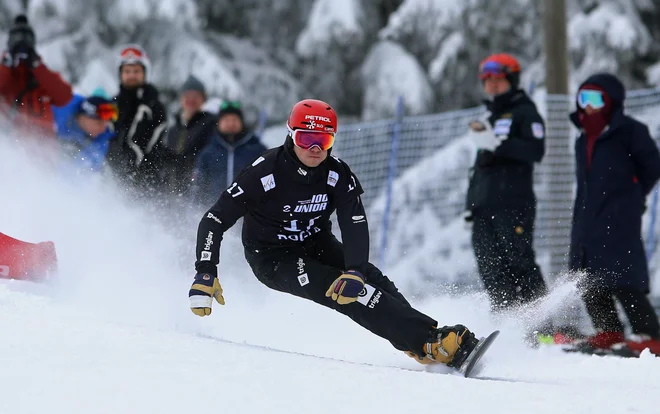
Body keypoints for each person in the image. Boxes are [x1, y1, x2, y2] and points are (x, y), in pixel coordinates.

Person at [187, 98, 485, 368]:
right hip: (272, 258)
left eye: (323, 140)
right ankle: (428, 343)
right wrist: (205, 271)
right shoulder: (264, 172)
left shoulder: (336, 174)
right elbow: (214, 219)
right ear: (291, 136)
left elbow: (354, 222)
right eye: (306, 139)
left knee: (370, 279)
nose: (315, 149)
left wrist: (356, 269)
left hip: (316, 242)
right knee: (345, 291)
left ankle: (422, 341)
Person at [568, 73, 660, 355]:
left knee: (623, 275)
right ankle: (608, 331)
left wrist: (632, 194)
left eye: (596, 98)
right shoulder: (583, 139)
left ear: (612, 101)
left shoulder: (631, 131)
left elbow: (652, 167)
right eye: (584, 98)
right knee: (587, 275)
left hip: (619, 216)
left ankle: (650, 335)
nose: (589, 105)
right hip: (587, 216)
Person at [464, 53, 548, 312]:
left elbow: (536, 151)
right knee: (490, 266)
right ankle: (509, 322)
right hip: (484, 206)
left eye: (498, 79)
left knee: (519, 261)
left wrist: (500, 147)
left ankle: (542, 326)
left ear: (511, 79)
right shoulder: (490, 116)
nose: (492, 85)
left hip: (512, 204)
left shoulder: (525, 112)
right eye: (487, 80)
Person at [106, 44, 168, 193]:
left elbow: (154, 145)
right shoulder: (112, 104)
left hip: (146, 182)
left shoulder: (154, 106)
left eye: (136, 71)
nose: (132, 76)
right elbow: (104, 136)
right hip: (112, 178)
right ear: (120, 74)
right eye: (127, 71)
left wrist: (140, 174)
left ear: (145, 73)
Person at [0, 14, 72, 138]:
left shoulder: (41, 77)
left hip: (43, 150)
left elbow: (64, 97)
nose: (21, 42)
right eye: (16, 38)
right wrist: (6, 65)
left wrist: (38, 67)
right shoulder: (7, 76)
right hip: (11, 145)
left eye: (26, 38)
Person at [192, 101, 267, 206]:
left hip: (249, 214)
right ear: (219, 123)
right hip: (215, 213)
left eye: (235, 120)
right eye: (226, 120)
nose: (231, 124)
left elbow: (268, 183)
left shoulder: (257, 150)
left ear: (241, 122)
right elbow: (198, 187)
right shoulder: (208, 153)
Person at [162, 75, 216, 195]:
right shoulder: (173, 129)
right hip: (172, 191)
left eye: (196, 96)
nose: (191, 100)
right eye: (187, 96)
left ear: (203, 99)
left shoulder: (210, 124)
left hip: (198, 190)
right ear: (181, 99)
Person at [51, 90, 118, 172]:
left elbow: (84, 171)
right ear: (85, 116)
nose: (103, 129)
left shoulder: (101, 139)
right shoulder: (59, 110)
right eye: (99, 123)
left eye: (106, 124)